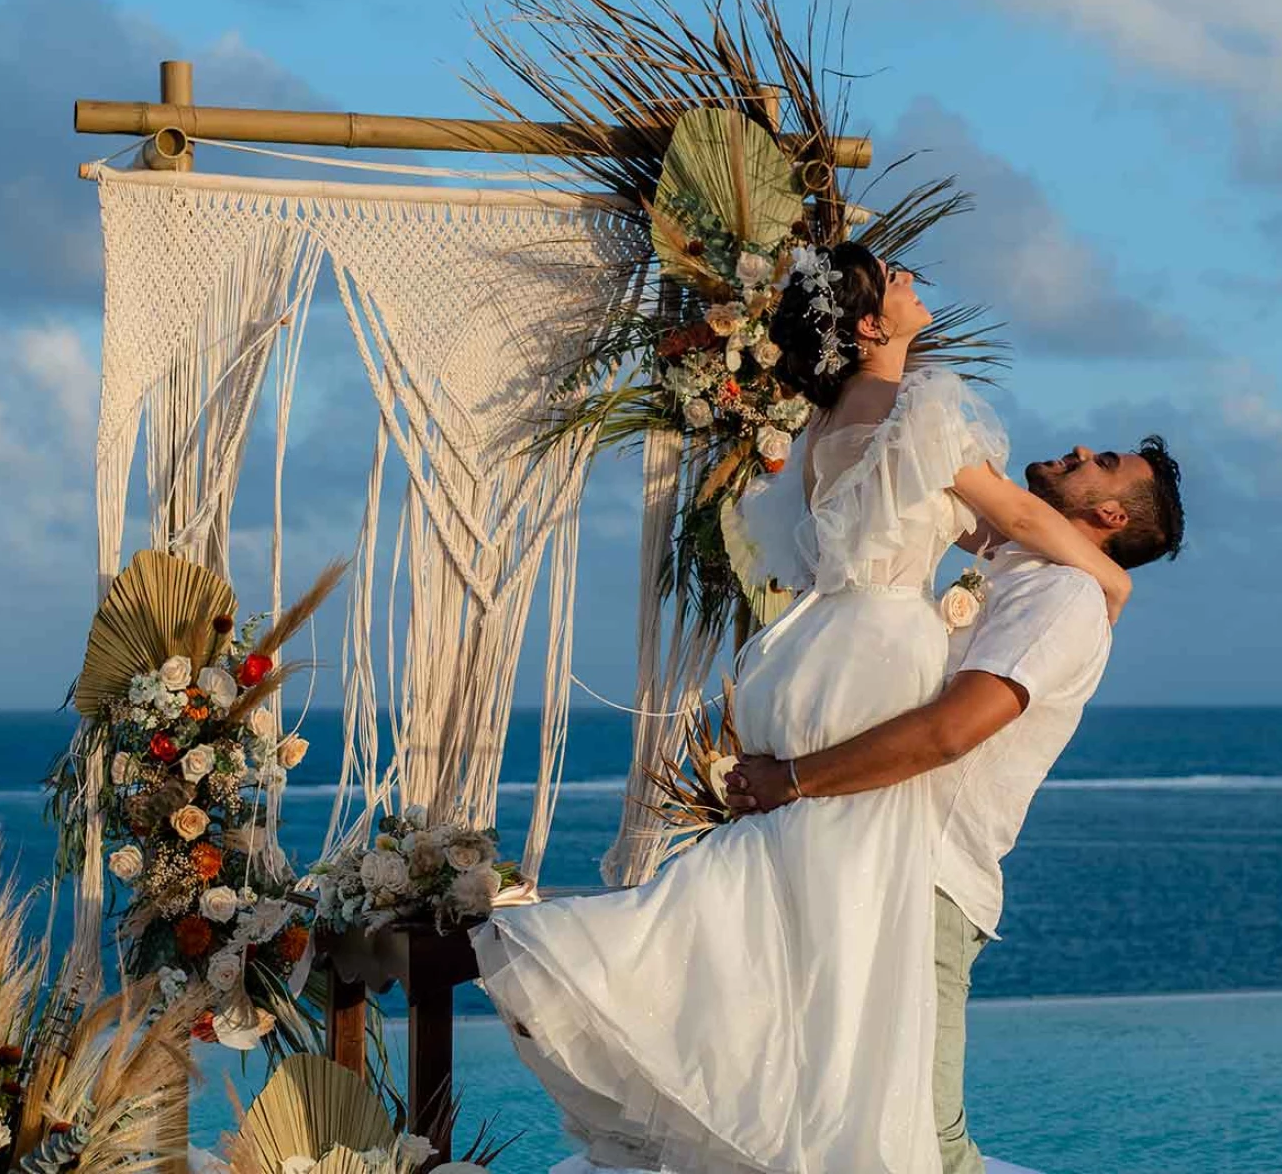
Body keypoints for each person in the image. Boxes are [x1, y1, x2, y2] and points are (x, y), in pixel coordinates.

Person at [471, 240, 1152, 1173]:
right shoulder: (926, 410)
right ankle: (832, 1108)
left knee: (792, 875)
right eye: (900, 284)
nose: (917, 285)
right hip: (873, 646)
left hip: (810, 646)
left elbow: (969, 528)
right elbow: (1024, 524)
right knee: (843, 881)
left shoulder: (835, 416)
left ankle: (738, 1048)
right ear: (871, 325)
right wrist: (1115, 582)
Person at [725, 436, 1187, 1174]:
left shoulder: (1065, 596)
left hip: (927, 883)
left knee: (927, 1141)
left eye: (1103, 461)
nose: (1079, 447)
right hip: (869, 861)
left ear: (1108, 512)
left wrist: (792, 777)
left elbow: (950, 730)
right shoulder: (1015, 566)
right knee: (822, 1116)